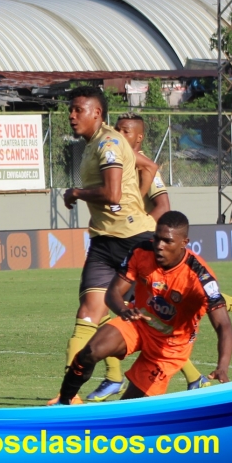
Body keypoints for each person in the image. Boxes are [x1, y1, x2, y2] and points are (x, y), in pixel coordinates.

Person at [114, 113, 232, 390]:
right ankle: (188, 376)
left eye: (124, 131)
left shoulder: (144, 165)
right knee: (140, 312)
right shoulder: (110, 160)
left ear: (138, 138)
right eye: (115, 130)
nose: (117, 135)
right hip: (118, 245)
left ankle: (102, 382)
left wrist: (144, 228)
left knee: (112, 311)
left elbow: (163, 204)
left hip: (142, 241)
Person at [51, 211, 232, 405]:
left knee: (127, 410)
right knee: (91, 351)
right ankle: (64, 402)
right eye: (156, 239)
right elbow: (113, 292)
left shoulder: (200, 277)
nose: (159, 246)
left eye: (167, 241)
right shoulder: (141, 251)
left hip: (168, 349)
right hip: (138, 324)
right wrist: (123, 310)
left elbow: (224, 326)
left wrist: (222, 366)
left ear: (184, 242)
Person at [47, 86, 158, 405]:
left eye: (77, 109)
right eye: (70, 109)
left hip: (134, 238)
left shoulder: (108, 142)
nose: (70, 115)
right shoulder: (94, 143)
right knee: (88, 313)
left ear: (96, 113)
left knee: (170, 303)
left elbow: (111, 194)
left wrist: (77, 193)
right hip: (103, 241)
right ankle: (69, 396)